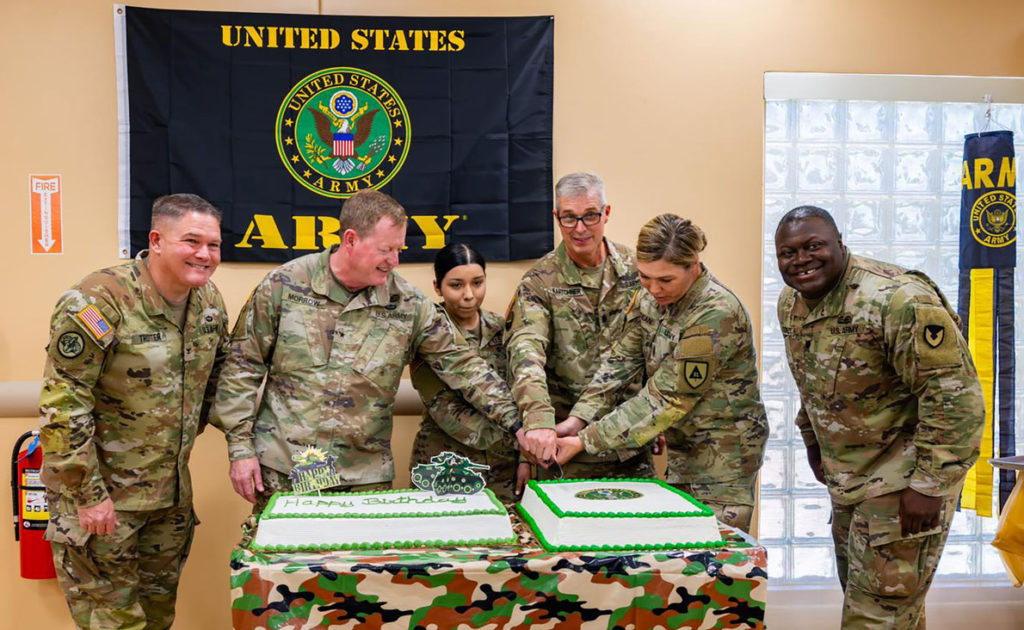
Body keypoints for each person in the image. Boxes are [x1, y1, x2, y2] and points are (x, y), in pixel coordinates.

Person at [212, 190, 521, 510]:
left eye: (399, 250)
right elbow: (242, 366)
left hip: (364, 479)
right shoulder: (284, 285)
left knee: (363, 562)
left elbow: (463, 365)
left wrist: (519, 425)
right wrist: (240, 450)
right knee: (285, 561)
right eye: (385, 249)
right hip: (290, 471)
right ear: (350, 240)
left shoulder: (408, 304)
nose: (395, 261)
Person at [774, 205, 984, 629]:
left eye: (813, 246)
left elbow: (956, 399)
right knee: (887, 614)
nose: (801, 260)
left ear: (840, 243)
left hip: (903, 484)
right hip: (849, 483)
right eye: (787, 252)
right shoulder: (793, 303)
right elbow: (810, 379)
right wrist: (814, 442)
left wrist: (929, 486)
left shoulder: (898, 300)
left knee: (874, 620)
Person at [39, 194, 228, 630]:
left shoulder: (208, 303)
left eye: (214, 245)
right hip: (103, 504)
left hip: (169, 502)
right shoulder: (97, 301)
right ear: (157, 240)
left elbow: (218, 384)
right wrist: (88, 497)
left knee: (157, 620)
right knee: (114, 623)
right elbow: (63, 403)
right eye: (192, 241)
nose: (204, 255)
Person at [554, 214, 768, 530]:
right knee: (679, 557)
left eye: (666, 280)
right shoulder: (650, 299)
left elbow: (665, 399)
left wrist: (584, 440)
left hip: (723, 464)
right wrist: (578, 419)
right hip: (683, 452)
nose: (654, 288)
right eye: (644, 277)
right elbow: (620, 363)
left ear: (693, 266)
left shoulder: (716, 313)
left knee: (715, 565)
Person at [505, 172, 652, 479]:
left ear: (606, 213)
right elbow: (526, 352)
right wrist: (539, 421)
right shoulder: (539, 281)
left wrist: (656, 418)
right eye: (569, 218)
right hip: (561, 448)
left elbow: (656, 346)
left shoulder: (639, 272)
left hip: (627, 443)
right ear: (557, 217)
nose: (580, 228)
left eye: (590, 216)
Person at [409, 243, 530, 502]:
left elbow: (523, 394)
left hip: (503, 473)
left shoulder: (502, 329)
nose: (469, 294)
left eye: (477, 283)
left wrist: (525, 459)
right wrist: (521, 441)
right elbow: (446, 410)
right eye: (456, 285)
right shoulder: (427, 334)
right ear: (437, 287)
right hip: (445, 468)